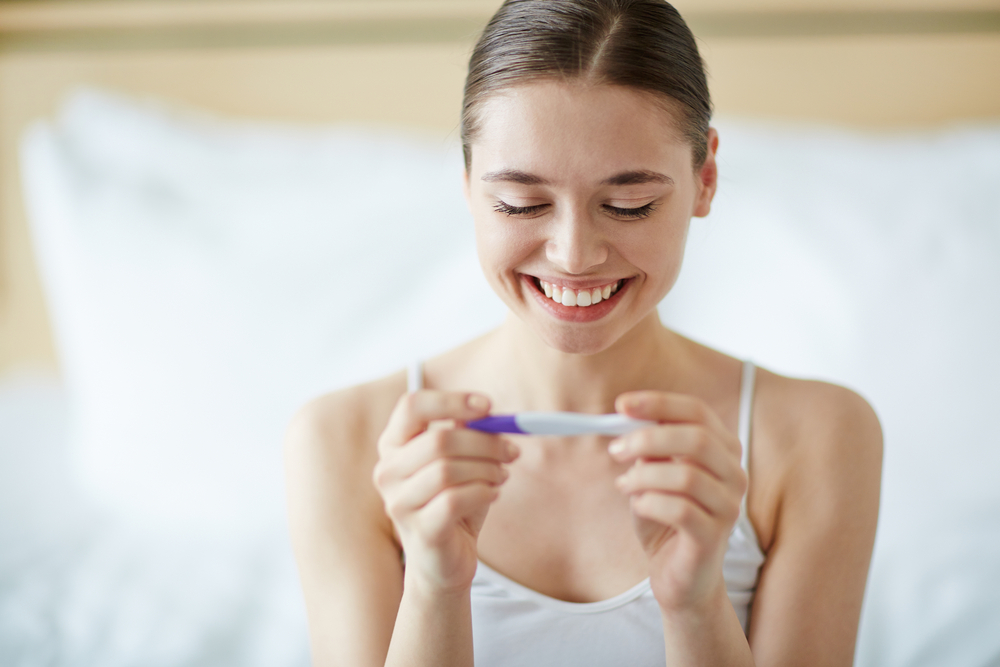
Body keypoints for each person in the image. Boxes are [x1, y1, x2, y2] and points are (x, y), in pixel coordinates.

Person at [284, 1, 883, 665]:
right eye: (521, 203)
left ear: (705, 177)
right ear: (466, 183)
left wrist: (695, 603)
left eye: (629, 205)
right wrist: (434, 586)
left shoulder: (818, 437)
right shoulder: (342, 442)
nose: (573, 254)